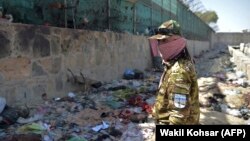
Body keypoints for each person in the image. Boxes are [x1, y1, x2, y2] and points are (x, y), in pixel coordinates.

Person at [149, 20, 200, 125]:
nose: (160, 45)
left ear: (177, 41)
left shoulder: (178, 72)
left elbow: (178, 116)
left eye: (165, 41)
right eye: (159, 41)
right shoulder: (174, 64)